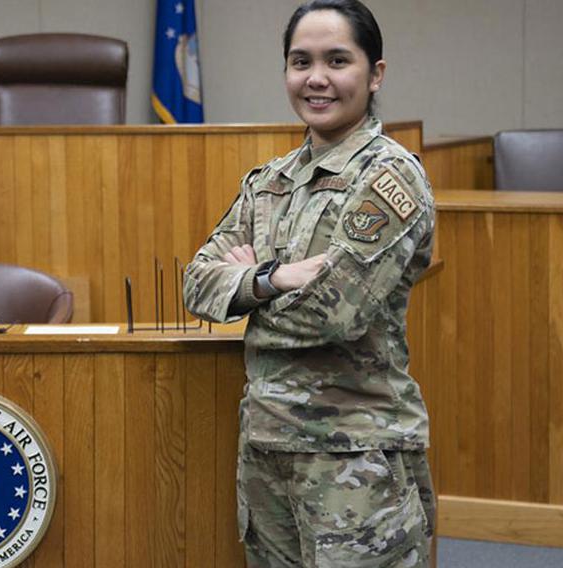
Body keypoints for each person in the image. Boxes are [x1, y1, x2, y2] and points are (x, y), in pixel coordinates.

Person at [183, 1, 436, 566]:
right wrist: (277, 278)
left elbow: (333, 316)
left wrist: (245, 288)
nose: (316, 78)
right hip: (267, 448)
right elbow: (196, 285)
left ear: (375, 75)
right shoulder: (270, 182)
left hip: (355, 459)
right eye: (301, 61)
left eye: (337, 60)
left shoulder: (390, 178)